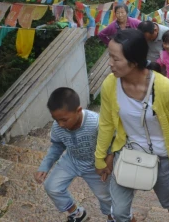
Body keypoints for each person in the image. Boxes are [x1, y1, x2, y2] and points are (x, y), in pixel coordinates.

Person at [95, 29, 169, 222]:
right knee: (119, 212)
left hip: (163, 157)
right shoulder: (110, 84)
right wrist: (100, 156)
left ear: (133, 62)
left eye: (116, 59)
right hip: (127, 151)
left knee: (168, 200)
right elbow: (106, 123)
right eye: (110, 57)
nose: (110, 64)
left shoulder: (164, 88)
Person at [36, 88, 113, 222]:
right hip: (71, 161)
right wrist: (45, 166)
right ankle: (76, 213)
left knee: (106, 196)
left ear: (78, 111)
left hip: (95, 166)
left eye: (64, 120)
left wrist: (108, 161)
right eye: (56, 119)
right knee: (52, 187)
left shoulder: (96, 123)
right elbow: (57, 145)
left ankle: (112, 217)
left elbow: (113, 142)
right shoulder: (57, 127)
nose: (60, 124)